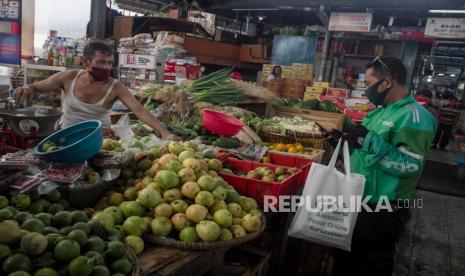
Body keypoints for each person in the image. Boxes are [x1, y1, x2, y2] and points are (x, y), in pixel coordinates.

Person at [328, 57, 436, 276]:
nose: (367, 90)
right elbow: (364, 152)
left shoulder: (415, 117)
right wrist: (343, 145)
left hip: (382, 211)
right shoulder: (378, 112)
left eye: (368, 84)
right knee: (343, 258)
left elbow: (410, 166)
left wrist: (368, 142)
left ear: (386, 82)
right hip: (357, 201)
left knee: (372, 264)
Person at [14, 41, 175, 139]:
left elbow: (139, 110)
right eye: (101, 62)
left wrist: (164, 132)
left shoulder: (116, 87)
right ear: (86, 61)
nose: (106, 67)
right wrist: (27, 88)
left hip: (99, 140)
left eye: (109, 63)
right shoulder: (68, 77)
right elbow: (37, 87)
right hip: (66, 135)